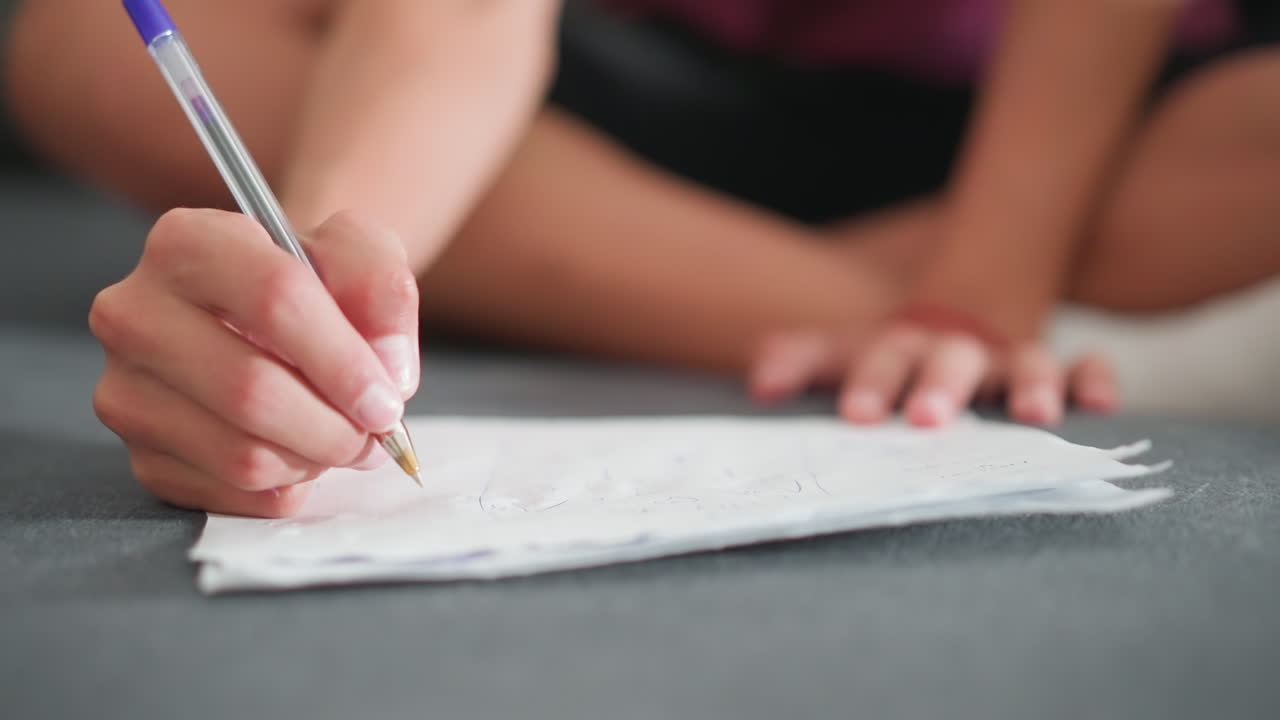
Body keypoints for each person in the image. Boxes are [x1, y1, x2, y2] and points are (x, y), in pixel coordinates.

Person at [3, 0, 1279, 516]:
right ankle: (926, 321)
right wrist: (336, 262)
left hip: (1019, 120)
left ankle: (770, 293)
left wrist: (987, 272)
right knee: (79, 43)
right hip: (608, 95)